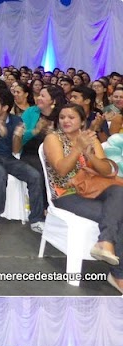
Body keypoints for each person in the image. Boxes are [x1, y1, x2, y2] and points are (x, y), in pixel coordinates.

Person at [43, 103, 123, 293]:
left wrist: (89, 154)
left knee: (119, 192)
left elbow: (107, 171)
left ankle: (105, 242)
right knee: (117, 215)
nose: (66, 121)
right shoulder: (53, 138)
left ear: (81, 121)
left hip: (92, 188)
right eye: (62, 117)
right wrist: (77, 149)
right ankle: (118, 274)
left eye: (71, 117)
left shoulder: (89, 137)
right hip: (66, 194)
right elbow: (61, 170)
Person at [0, 88, 46, 239]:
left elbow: (15, 150)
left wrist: (17, 136)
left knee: (35, 175)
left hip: (7, 158)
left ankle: (36, 219)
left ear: (5, 107)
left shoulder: (16, 121)